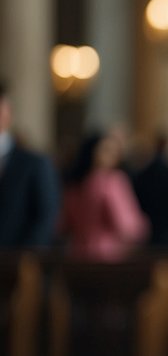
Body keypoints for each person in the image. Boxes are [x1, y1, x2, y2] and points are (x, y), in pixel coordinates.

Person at [60, 131, 149, 261]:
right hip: (108, 257)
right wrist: (142, 226)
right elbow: (124, 225)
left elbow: (62, 225)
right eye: (107, 150)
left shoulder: (74, 184)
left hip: (77, 254)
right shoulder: (112, 182)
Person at [0, 80, 60, 248]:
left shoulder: (34, 164)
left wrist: (26, 257)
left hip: (15, 263)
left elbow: (46, 216)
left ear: (7, 114)